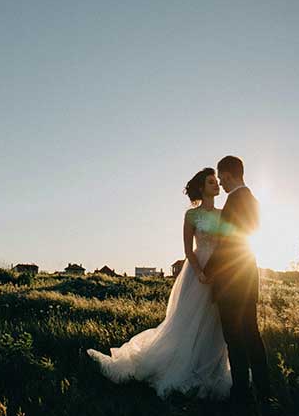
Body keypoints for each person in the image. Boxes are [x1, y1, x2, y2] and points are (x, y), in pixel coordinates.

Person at [86, 168, 232, 401]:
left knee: (214, 322)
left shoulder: (225, 213)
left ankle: (210, 369)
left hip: (220, 271)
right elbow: (187, 250)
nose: (216, 185)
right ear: (202, 187)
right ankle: (180, 366)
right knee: (188, 322)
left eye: (217, 181)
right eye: (211, 181)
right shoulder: (191, 216)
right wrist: (200, 273)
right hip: (197, 274)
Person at [203, 155, 272, 413]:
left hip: (232, 281)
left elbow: (226, 243)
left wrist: (207, 272)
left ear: (229, 174)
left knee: (234, 339)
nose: (221, 182)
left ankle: (241, 394)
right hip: (248, 277)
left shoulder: (234, 200)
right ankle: (264, 392)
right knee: (252, 336)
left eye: (221, 177)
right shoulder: (253, 201)